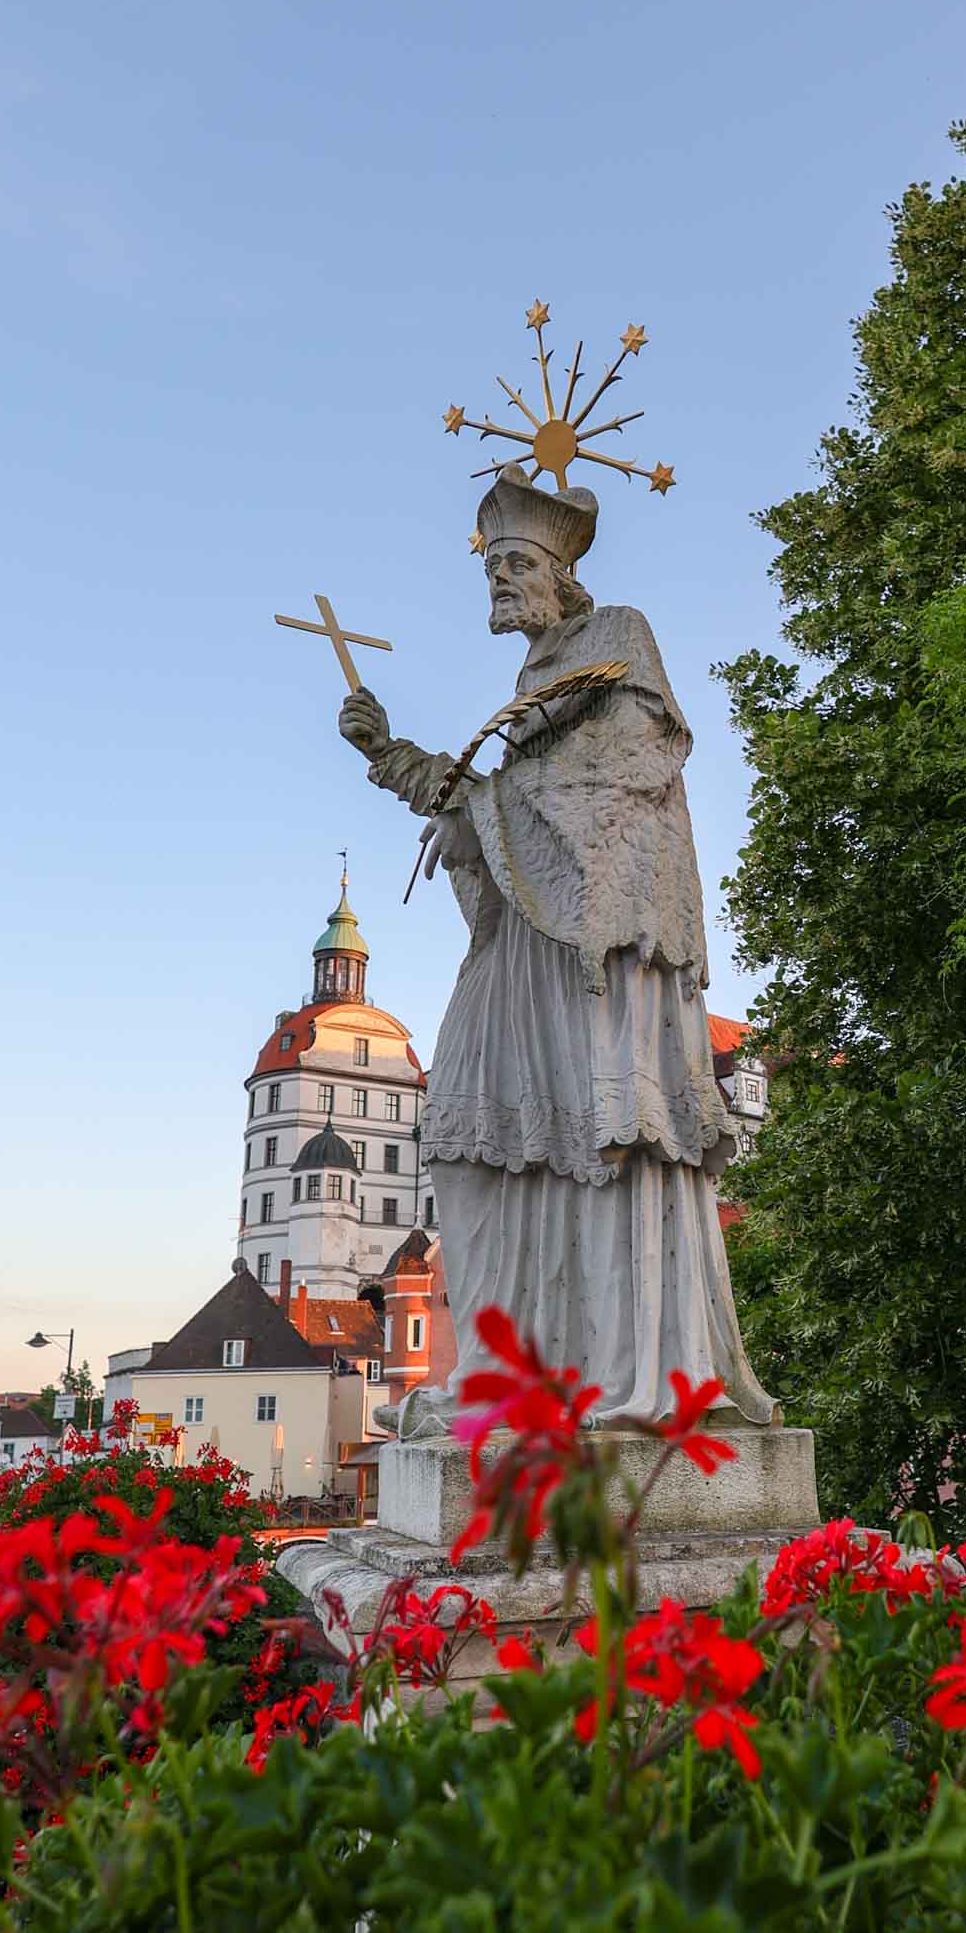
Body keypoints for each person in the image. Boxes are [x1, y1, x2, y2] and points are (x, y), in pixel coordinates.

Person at [338, 461, 774, 1434]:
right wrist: (389, 757)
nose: (497, 577)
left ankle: (610, 1369)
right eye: (490, 563)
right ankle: (506, 1367)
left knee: (598, 1140)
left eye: (516, 561)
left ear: (560, 573)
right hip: (523, 941)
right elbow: (494, 815)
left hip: (598, 954)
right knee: (465, 1123)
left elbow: (621, 782)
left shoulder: (619, 639)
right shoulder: (534, 681)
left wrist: (485, 800)